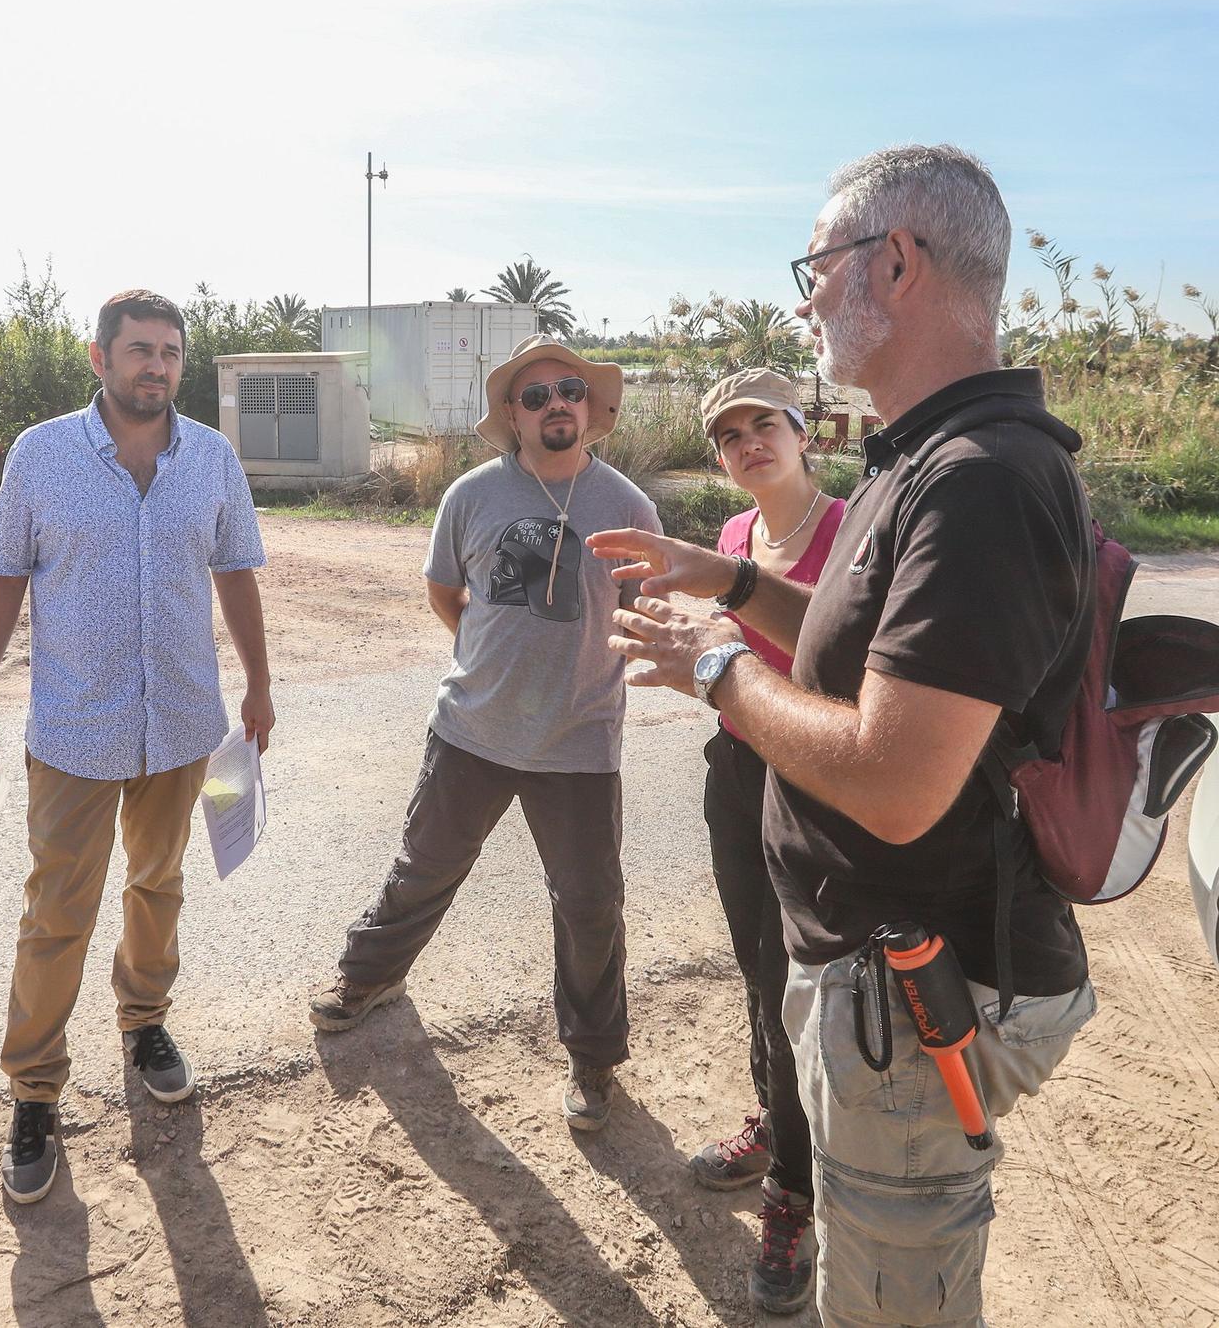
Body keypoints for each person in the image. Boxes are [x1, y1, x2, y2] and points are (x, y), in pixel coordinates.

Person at [592, 145, 1097, 1326]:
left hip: (916, 999)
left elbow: (892, 781)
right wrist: (720, 576)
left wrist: (711, 667)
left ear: (898, 263)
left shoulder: (976, 478)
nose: (805, 296)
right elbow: (848, 639)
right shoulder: (914, 457)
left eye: (815, 266)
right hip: (873, 978)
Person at [0, 288, 273, 1205]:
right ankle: (34, 1089)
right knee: (57, 910)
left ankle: (145, 1020)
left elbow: (236, 570)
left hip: (182, 723)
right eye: (139, 350)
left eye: (170, 351)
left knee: (159, 881)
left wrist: (257, 682)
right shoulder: (41, 455)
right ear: (99, 358)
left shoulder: (210, 457)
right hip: (74, 730)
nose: (157, 367)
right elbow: (0, 582)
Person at [308, 335, 662, 1131]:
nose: (555, 404)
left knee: (590, 905)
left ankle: (593, 1058)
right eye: (535, 395)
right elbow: (445, 591)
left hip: (579, 743)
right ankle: (367, 977)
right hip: (471, 728)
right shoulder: (471, 494)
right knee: (424, 865)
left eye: (569, 389)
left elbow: (643, 613)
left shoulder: (630, 509)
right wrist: (485, 656)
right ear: (512, 412)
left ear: (589, 405)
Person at [687, 368, 845, 1315]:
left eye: (764, 424)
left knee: (802, 979)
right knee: (755, 969)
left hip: (819, 785)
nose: (749, 442)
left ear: (801, 432)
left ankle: (797, 1190)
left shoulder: (851, 530)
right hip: (737, 769)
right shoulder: (735, 536)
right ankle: (780, 1135)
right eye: (729, 433)